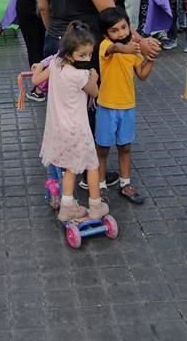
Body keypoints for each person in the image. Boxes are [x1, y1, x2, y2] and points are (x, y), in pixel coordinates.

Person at [32, 20, 109, 222]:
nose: (86, 58)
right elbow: (96, 92)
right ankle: (95, 205)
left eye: (89, 54)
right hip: (78, 129)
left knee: (69, 168)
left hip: (58, 129)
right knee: (92, 165)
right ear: (69, 53)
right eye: (82, 55)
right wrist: (93, 76)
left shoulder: (56, 64)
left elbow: (35, 80)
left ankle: (67, 207)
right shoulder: (81, 75)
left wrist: (40, 65)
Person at [95, 7, 153, 204]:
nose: (121, 33)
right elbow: (114, 49)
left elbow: (142, 74)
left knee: (125, 147)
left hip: (127, 106)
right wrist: (126, 47)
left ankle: (125, 183)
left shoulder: (133, 50)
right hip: (106, 106)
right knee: (102, 148)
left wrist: (151, 58)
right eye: (114, 30)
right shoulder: (104, 46)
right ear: (105, 34)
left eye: (123, 27)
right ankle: (100, 185)